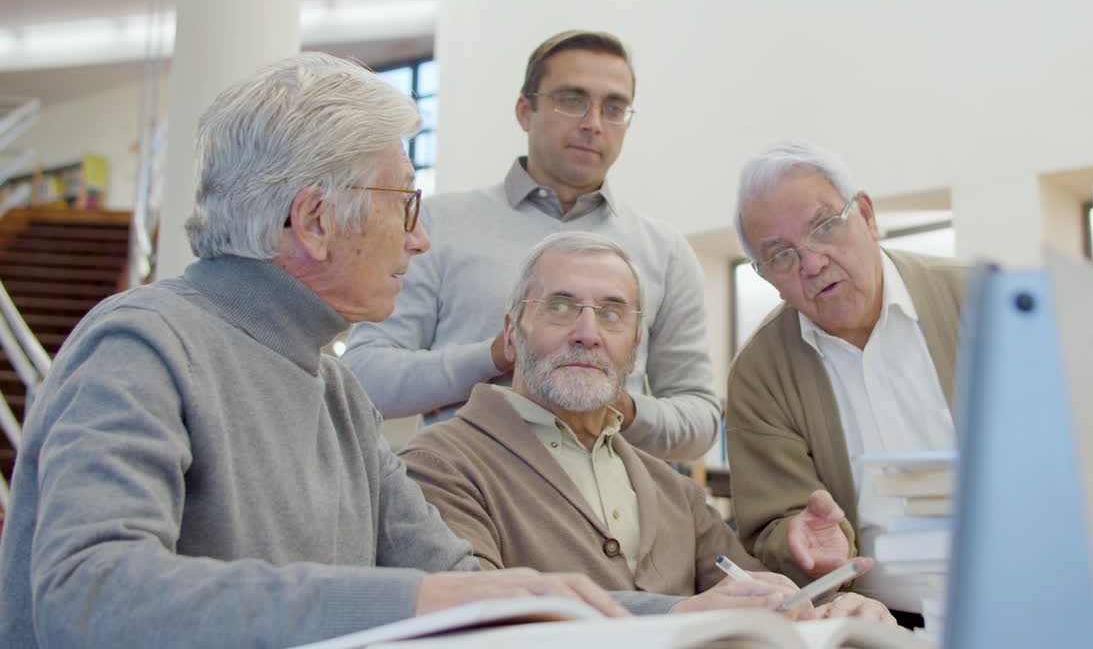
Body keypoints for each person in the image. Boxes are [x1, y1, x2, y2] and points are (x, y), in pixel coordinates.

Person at [0, 53, 687, 649]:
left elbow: (479, 593)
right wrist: (411, 602)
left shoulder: (336, 392)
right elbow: (88, 597)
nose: (418, 240)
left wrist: (685, 619)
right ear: (317, 220)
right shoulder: (142, 344)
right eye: (405, 205)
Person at [400, 231, 895, 624]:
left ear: (634, 346)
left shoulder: (672, 490)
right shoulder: (438, 467)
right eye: (561, 307)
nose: (588, 334)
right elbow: (470, 620)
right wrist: (673, 612)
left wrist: (821, 592)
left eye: (612, 314)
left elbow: (757, 599)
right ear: (512, 333)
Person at [342, 30, 718, 461]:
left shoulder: (665, 250)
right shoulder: (435, 226)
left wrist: (615, 405)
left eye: (614, 107)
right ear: (525, 111)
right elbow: (364, 379)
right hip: (462, 497)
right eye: (572, 100)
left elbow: (700, 422)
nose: (593, 122)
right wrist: (494, 355)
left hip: (610, 516)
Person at [727, 140, 969, 623]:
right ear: (766, 276)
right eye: (781, 256)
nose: (812, 263)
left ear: (866, 214)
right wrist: (802, 539)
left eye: (824, 227)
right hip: (875, 623)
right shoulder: (759, 376)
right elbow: (772, 525)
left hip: (1024, 595)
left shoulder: (976, 299)